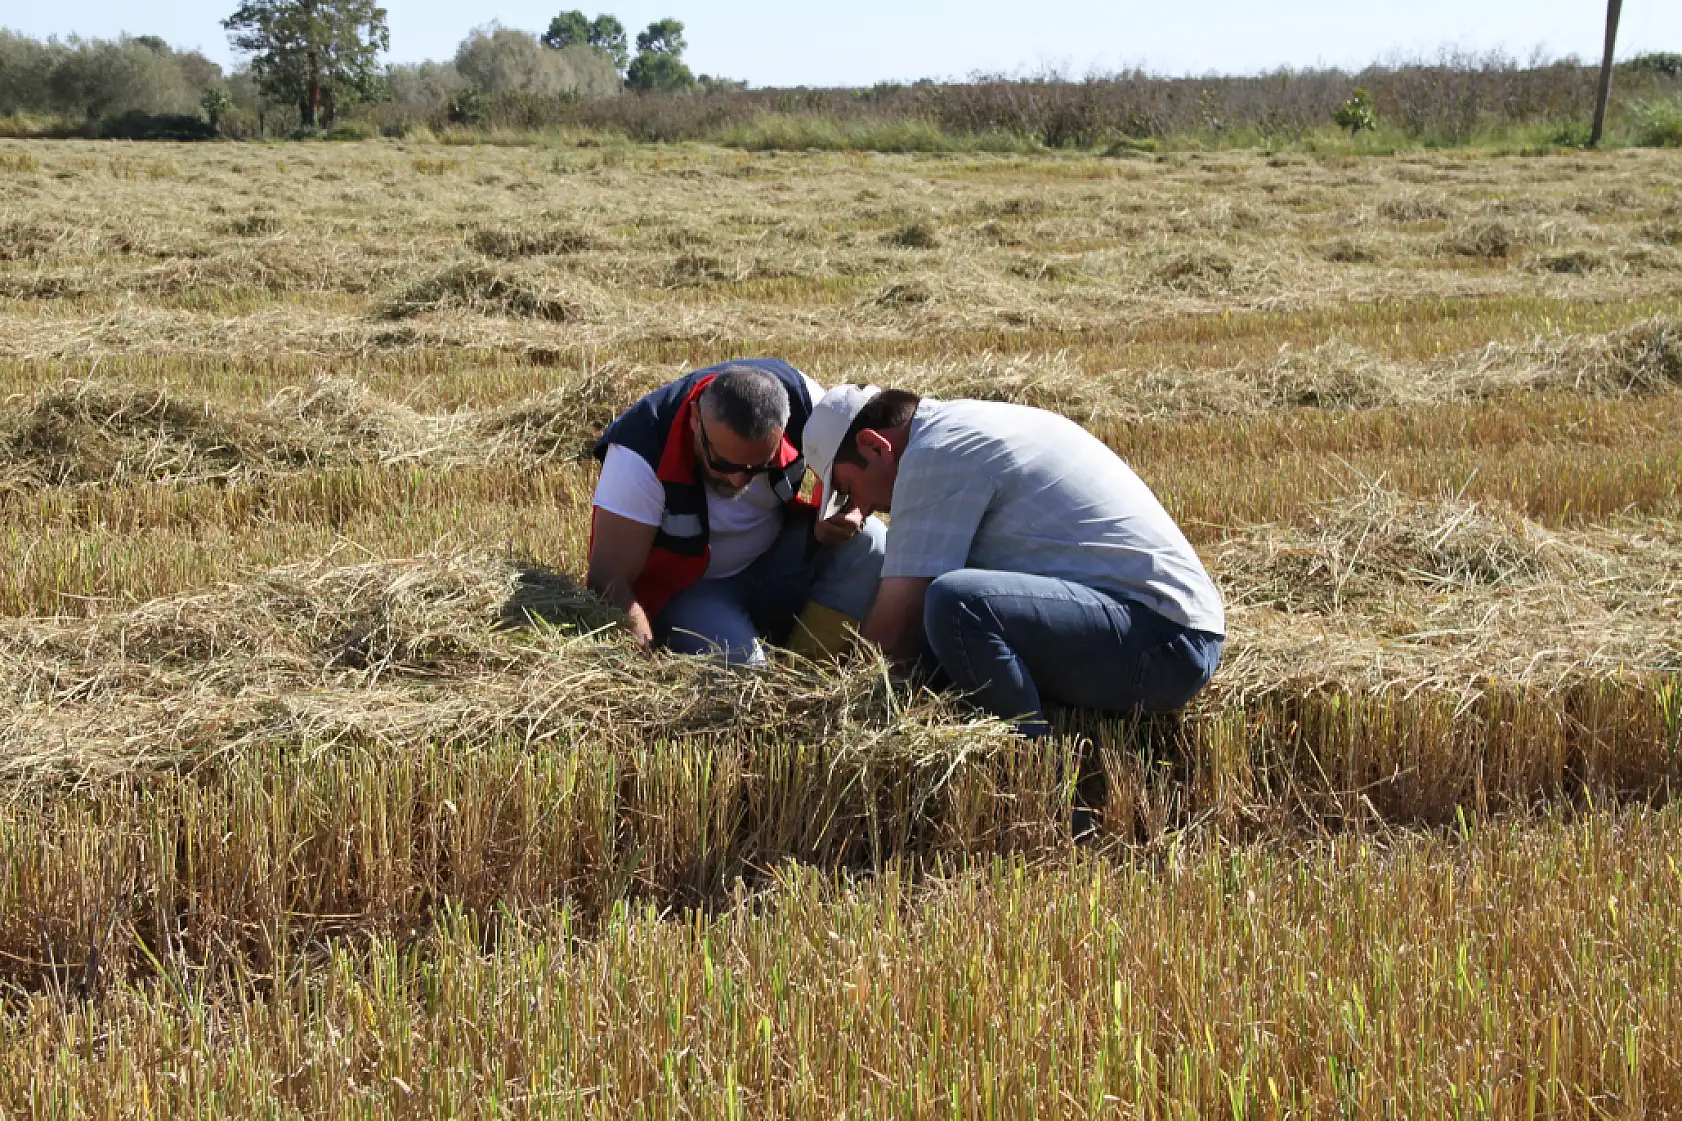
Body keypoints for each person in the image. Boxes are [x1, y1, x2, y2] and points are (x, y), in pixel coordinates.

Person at [801, 385, 1224, 737]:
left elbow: (889, 641)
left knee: (957, 603)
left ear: (874, 447)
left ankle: (1041, 778)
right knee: (939, 629)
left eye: (847, 488)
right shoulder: (965, 422)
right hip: (1166, 629)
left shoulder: (935, 455)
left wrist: (837, 709)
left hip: (1161, 644)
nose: (862, 508)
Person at [587, 359, 885, 664]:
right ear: (694, 420)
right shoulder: (640, 451)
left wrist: (843, 508)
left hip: (777, 562)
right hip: (691, 592)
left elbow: (857, 464)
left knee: (872, 539)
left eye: (759, 467)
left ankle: (811, 670)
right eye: (723, 464)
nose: (738, 480)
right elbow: (608, 582)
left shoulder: (805, 400)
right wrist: (643, 666)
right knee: (746, 670)